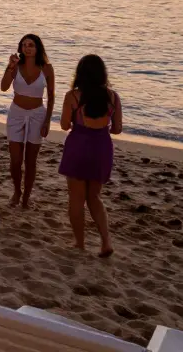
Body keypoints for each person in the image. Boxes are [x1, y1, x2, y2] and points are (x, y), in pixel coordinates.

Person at [58, 54, 121, 258]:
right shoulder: (113, 97)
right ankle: (106, 241)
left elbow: (64, 125)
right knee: (94, 197)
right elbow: (117, 129)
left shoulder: (73, 96)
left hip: (78, 145)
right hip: (101, 146)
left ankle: (80, 243)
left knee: (76, 198)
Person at [0, 33, 56, 208]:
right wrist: (10, 67)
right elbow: (3, 87)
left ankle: (26, 196)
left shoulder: (47, 68)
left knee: (31, 161)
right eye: (24, 45)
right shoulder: (16, 66)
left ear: (38, 47)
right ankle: (17, 191)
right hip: (16, 114)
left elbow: (51, 96)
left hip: (38, 115)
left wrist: (47, 121)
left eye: (31, 45)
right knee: (16, 160)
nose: (27, 48)